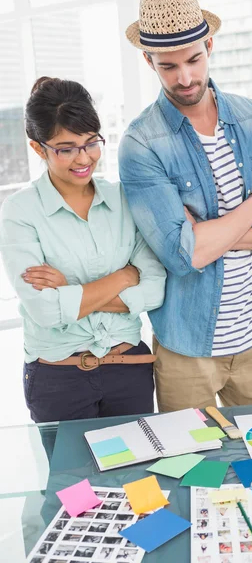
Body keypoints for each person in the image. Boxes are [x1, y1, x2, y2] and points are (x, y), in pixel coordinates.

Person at [119, 0, 252, 411]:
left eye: (193, 59)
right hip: (187, 346)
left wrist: (205, 237)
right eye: (168, 66)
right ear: (148, 61)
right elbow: (181, 256)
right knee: (189, 470)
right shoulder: (141, 144)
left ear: (209, 44)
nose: (185, 78)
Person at [0, 77, 166, 423]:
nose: (83, 158)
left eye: (91, 143)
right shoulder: (20, 211)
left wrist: (69, 293)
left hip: (129, 371)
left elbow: (154, 290)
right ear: (38, 148)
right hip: (58, 379)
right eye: (66, 148)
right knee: (73, 479)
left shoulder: (122, 199)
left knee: (136, 477)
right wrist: (123, 276)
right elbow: (45, 311)